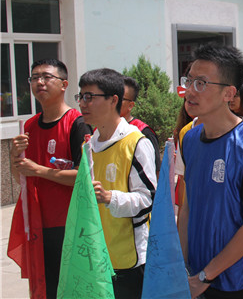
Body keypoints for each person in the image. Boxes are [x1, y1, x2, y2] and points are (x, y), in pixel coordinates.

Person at [178, 43, 243, 299]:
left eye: (201, 83)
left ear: (228, 93)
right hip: (195, 278)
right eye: (189, 81)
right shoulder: (189, 139)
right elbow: (187, 208)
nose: (190, 91)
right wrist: (182, 266)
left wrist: (206, 275)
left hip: (236, 283)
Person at [8, 59, 92, 299]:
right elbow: (21, 178)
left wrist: (39, 170)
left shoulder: (77, 123)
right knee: (44, 288)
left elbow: (84, 177)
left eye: (46, 77)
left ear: (64, 84)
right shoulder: (29, 126)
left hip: (70, 223)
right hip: (37, 223)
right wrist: (14, 156)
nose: (40, 82)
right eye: (34, 78)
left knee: (70, 288)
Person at [77, 68, 157, 299]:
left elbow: (149, 199)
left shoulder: (136, 142)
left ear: (114, 100)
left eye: (90, 97)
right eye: (80, 96)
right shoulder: (88, 147)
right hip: (97, 255)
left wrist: (110, 197)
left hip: (130, 259)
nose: (82, 103)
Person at [121, 76, 161, 174]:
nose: (114, 101)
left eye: (120, 99)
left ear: (130, 105)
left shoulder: (143, 132)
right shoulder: (99, 132)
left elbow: (156, 172)